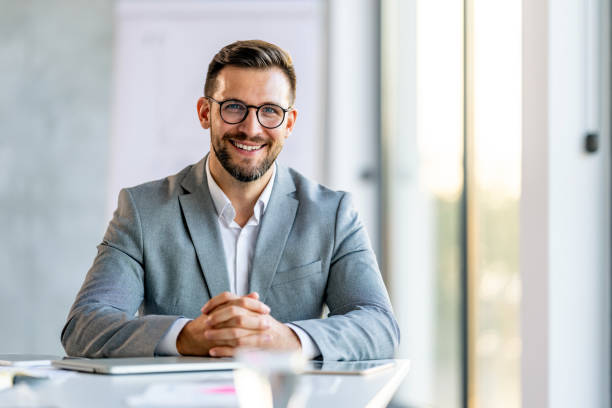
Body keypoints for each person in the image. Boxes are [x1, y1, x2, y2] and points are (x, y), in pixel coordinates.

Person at [61, 40, 399, 361]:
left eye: (270, 111)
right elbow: (84, 327)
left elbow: (379, 327)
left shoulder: (333, 214)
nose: (251, 128)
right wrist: (184, 337)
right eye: (234, 107)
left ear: (289, 124)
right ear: (205, 112)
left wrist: (288, 340)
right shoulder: (143, 210)